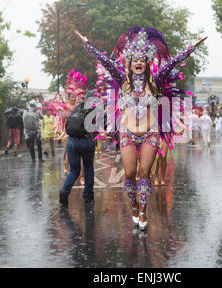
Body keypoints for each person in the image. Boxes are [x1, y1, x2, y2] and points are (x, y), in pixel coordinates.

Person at [75, 26, 207, 230]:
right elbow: (104, 60)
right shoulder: (123, 80)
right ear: (129, 63)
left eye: (142, 59)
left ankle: (144, 211)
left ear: (147, 63)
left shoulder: (155, 81)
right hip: (127, 133)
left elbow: (175, 61)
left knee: (144, 172)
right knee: (129, 173)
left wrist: (192, 47)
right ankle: (134, 207)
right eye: (134, 59)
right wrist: (87, 43)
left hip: (150, 134)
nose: (138, 62)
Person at [59, 91, 97, 206]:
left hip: (71, 141)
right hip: (86, 141)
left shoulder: (77, 107)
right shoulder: (95, 109)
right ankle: (88, 196)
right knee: (88, 168)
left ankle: (64, 191)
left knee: (74, 171)